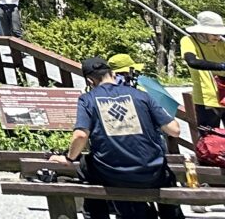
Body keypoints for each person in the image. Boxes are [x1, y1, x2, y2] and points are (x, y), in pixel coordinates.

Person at [63, 55, 181, 219]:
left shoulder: (87, 99)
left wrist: (69, 158)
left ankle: (96, 215)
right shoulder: (141, 95)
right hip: (151, 173)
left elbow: (81, 135)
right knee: (167, 175)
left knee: (86, 165)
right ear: (112, 74)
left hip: (112, 175)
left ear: (90, 81)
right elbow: (174, 130)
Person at [179, 10, 225, 129]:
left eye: (219, 33)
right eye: (214, 33)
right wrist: (220, 66)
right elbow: (192, 61)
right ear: (203, 31)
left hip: (223, 93)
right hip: (207, 99)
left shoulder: (222, 42)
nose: (218, 36)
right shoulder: (188, 41)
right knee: (210, 140)